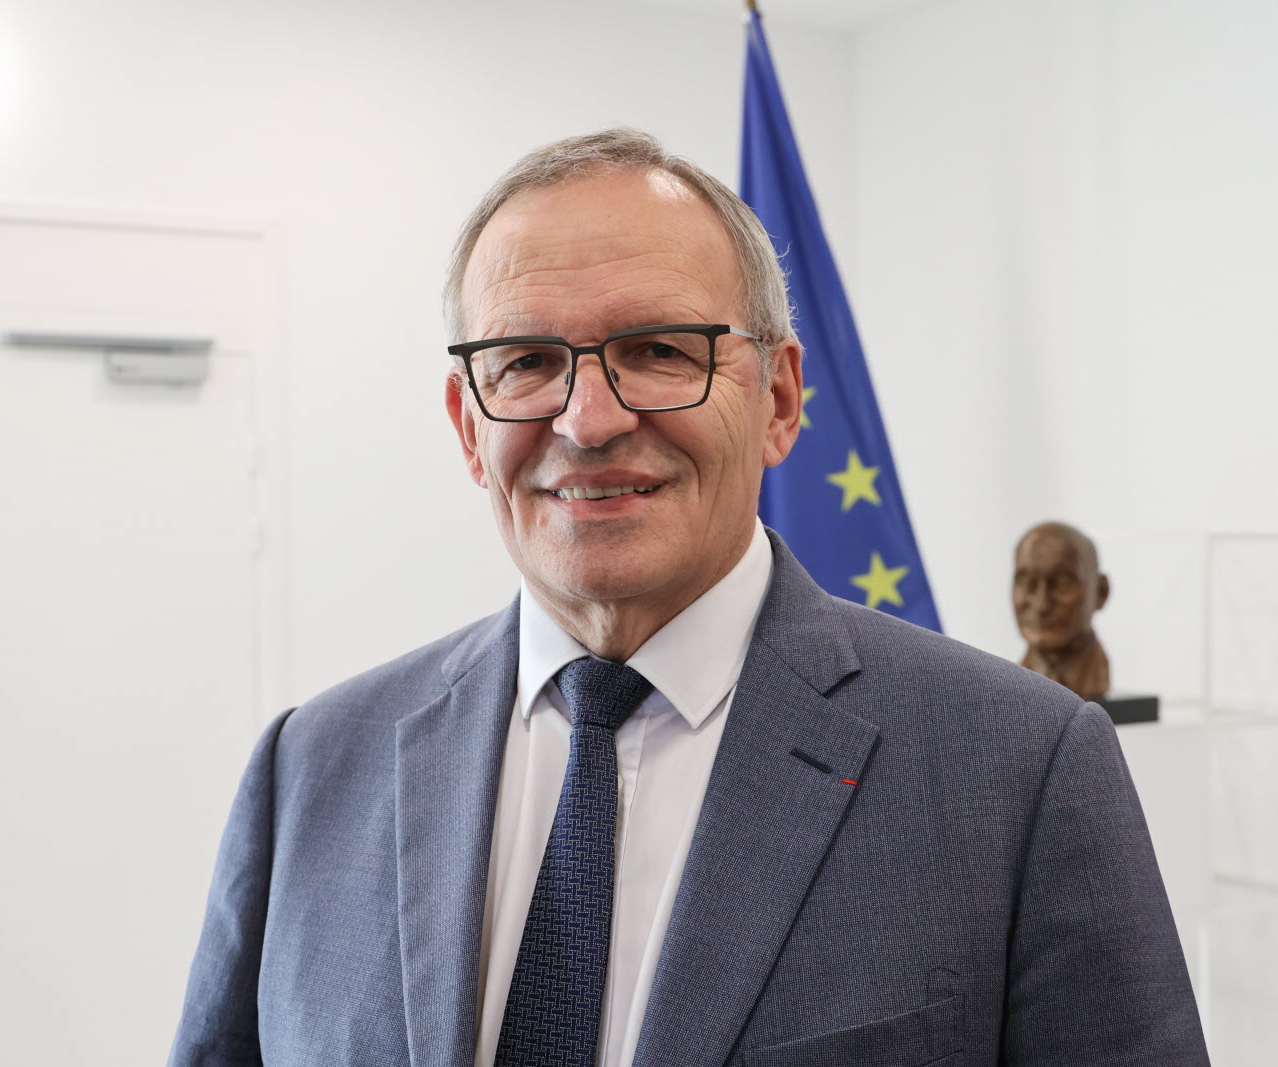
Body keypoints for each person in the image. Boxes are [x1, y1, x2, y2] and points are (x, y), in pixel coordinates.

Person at [170, 128, 1209, 1066]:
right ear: (467, 425)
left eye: (659, 351)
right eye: (527, 361)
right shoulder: (310, 768)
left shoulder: (1016, 768)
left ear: (780, 399)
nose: (588, 419)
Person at [1013, 520, 1113, 700]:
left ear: (1101, 592)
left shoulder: (1094, 681)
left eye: (1061, 585)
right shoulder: (1008, 686)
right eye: (1028, 584)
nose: (1041, 605)